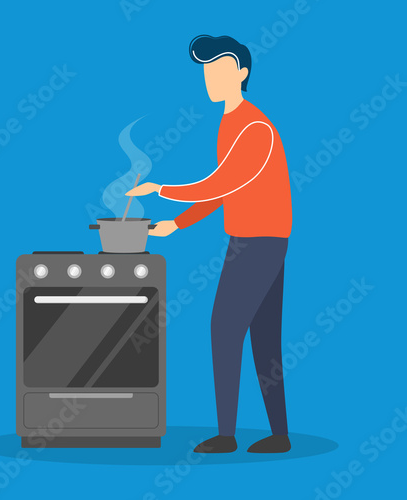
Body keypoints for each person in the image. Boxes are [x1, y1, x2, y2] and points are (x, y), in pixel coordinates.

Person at [126, 35, 292, 454]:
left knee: (224, 330)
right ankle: (279, 435)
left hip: (259, 242)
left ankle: (226, 435)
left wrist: (162, 189)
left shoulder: (255, 127)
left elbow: (219, 183)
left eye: (219, 70)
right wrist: (176, 225)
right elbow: (223, 195)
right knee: (264, 337)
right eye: (205, 70)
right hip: (254, 239)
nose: (210, 78)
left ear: (242, 73)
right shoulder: (229, 121)